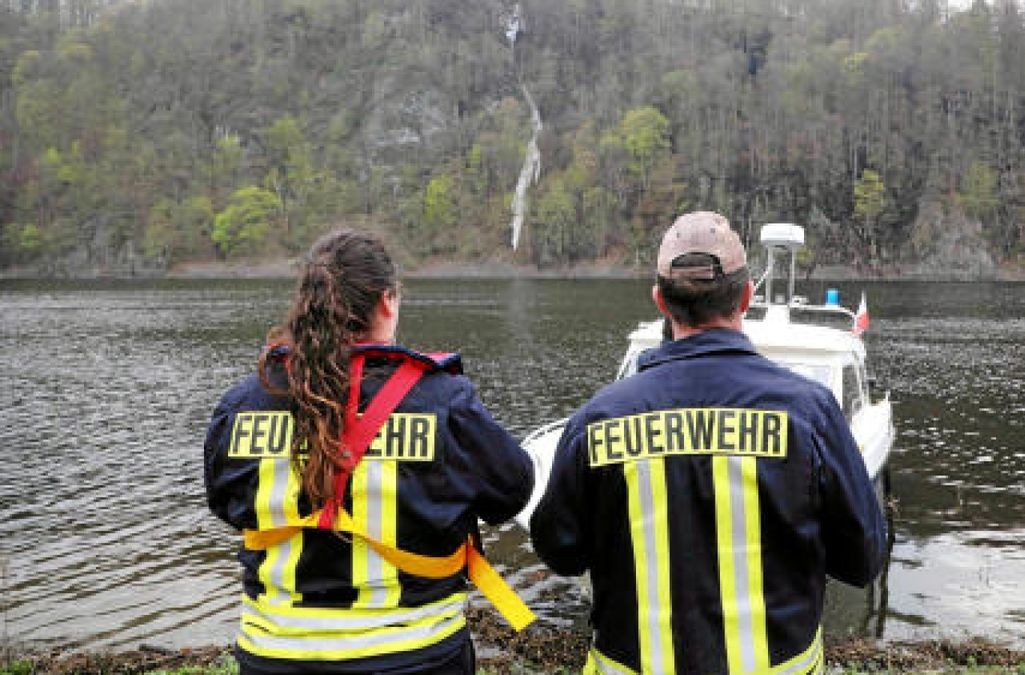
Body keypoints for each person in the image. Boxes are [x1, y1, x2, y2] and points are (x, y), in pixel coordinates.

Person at [530, 211, 887, 674]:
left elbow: (559, 551)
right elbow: (862, 561)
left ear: (661, 301)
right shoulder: (810, 414)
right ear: (745, 295)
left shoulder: (597, 420)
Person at [204, 229, 534, 674]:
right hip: (416, 655)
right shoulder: (443, 401)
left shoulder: (243, 403)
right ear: (386, 301)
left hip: (274, 656)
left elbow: (226, 503)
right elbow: (512, 493)